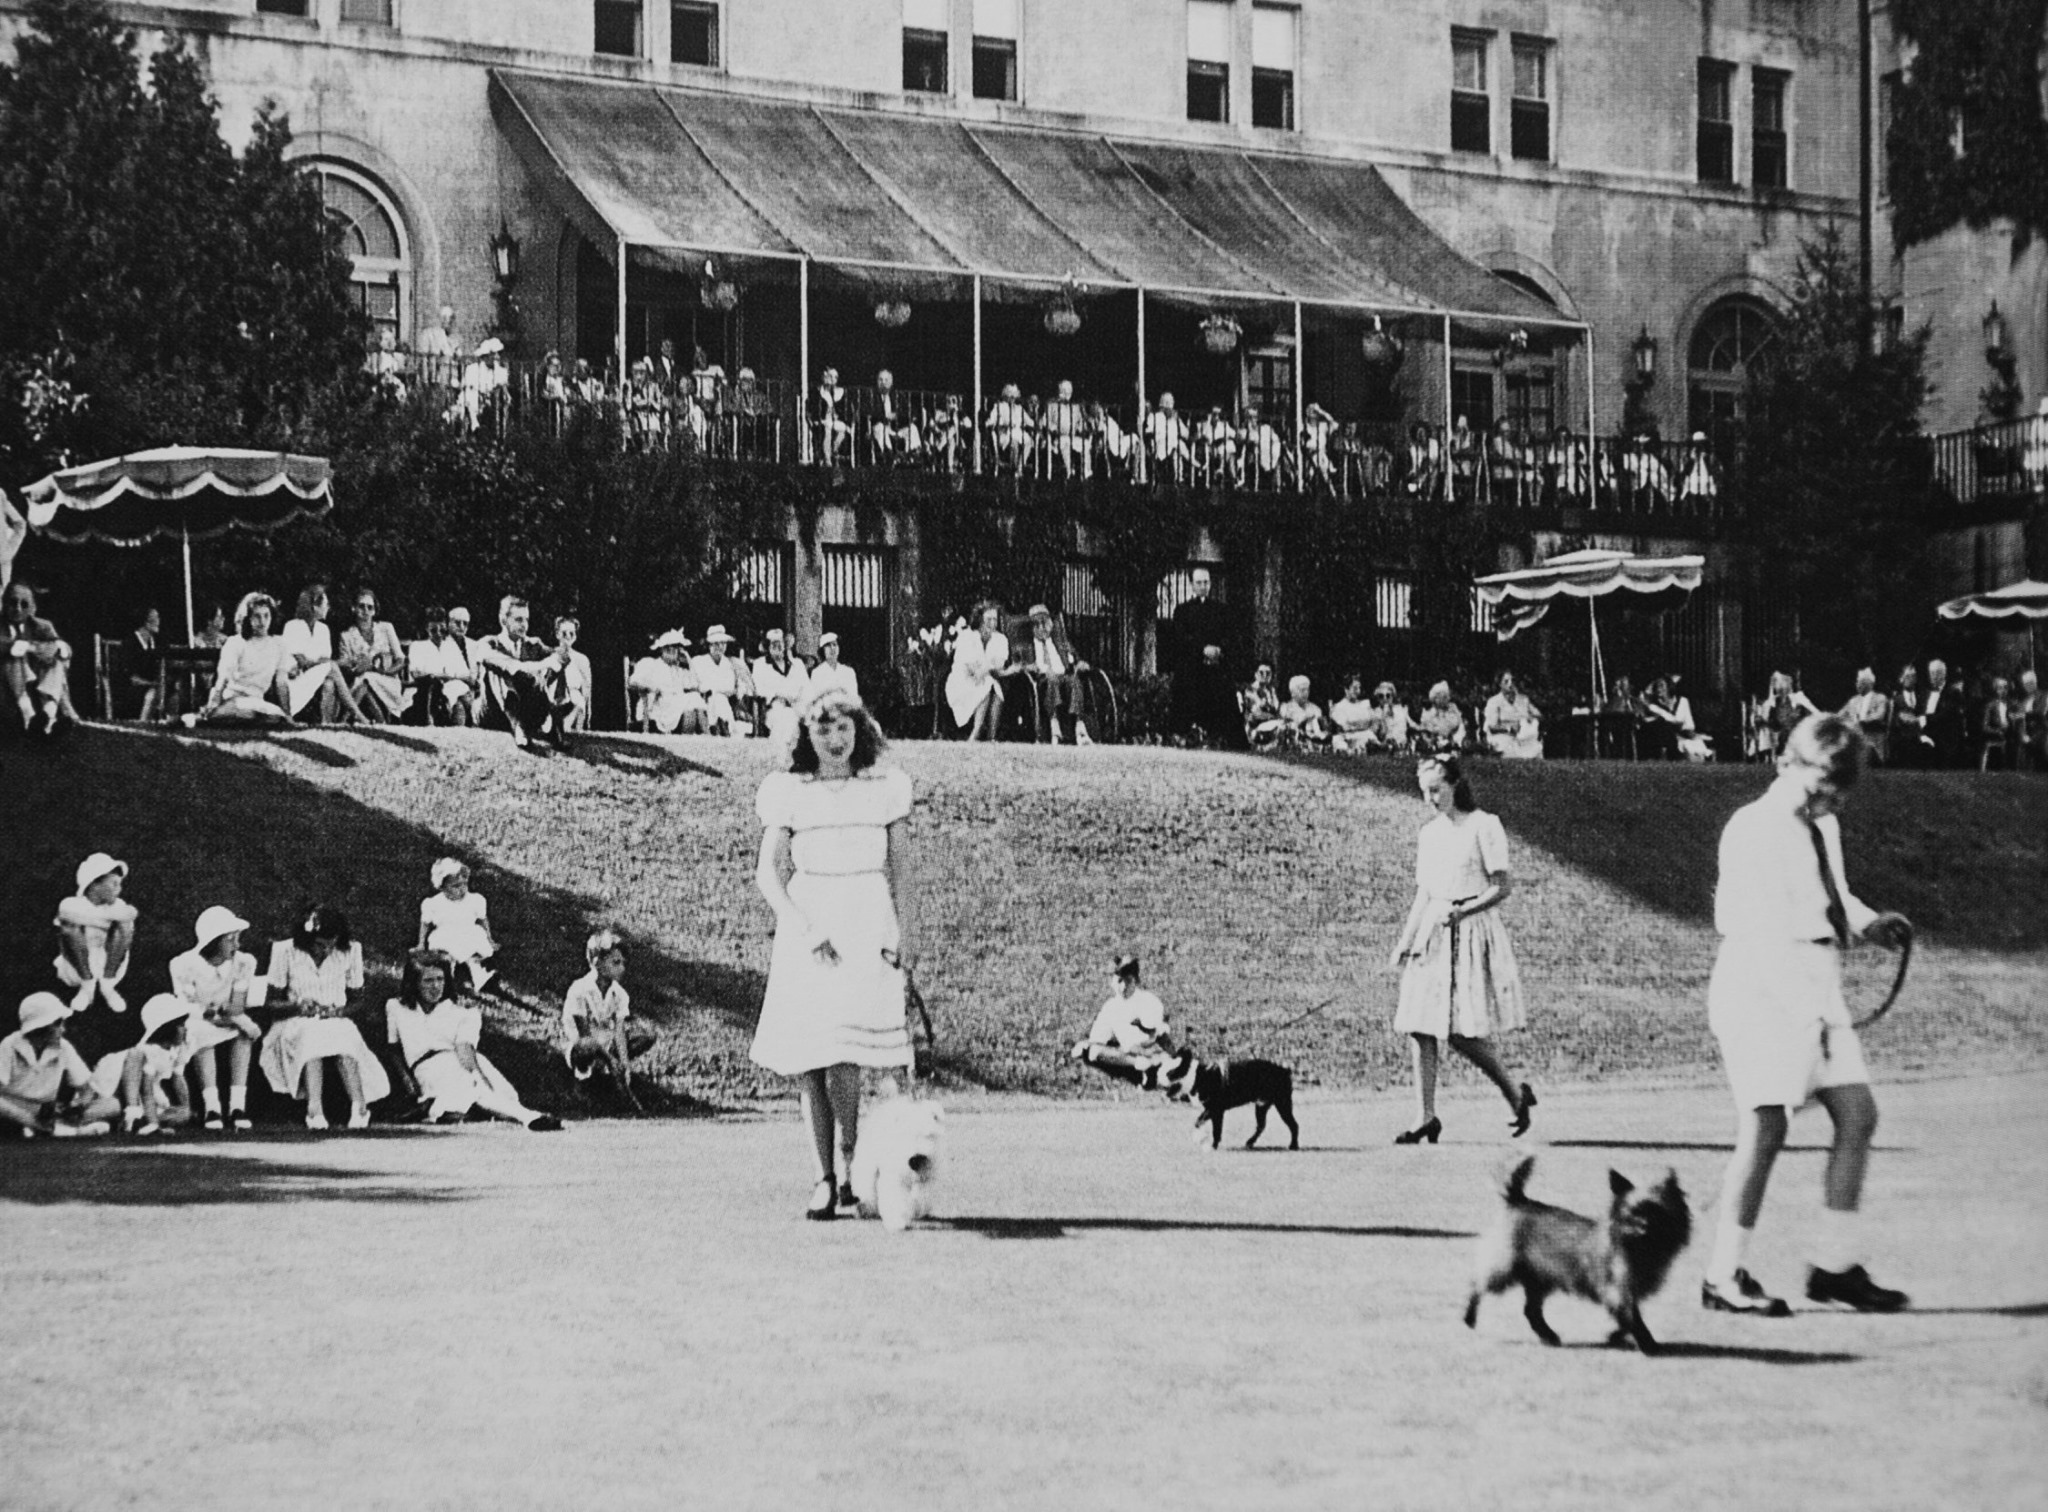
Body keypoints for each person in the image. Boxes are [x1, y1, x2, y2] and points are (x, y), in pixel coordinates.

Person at [1700, 714, 1912, 1317]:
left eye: (1841, 786)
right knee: (1767, 1126)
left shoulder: (1825, 827)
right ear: (1786, 762)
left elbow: (1831, 897)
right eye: (1822, 780)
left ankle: (1834, 1267)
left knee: (1858, 1114)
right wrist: (1803, 1013)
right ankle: (1722, 1276)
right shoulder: (1752, 828)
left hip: (1816, 989)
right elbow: (1754, 929)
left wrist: (1869, 923)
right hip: (1760, 990)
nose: (1830, 795)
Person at [751, 688, 918, 1219]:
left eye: (843, 727)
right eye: (823, 729)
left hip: (868, 925)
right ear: (806, 736)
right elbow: (768, 875)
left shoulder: (884, 788)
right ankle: (823, 1178)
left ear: (859, 730)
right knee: (811, 1060)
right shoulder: (788, 791)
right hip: (811, 929)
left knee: (847, 1058)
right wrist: (805, 928)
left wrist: (907, 934)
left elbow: (904, 873)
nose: (835, 738)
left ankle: (850, 1171)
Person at [1387, 755, 1537, 1144]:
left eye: (1436, 789)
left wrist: (1463, 910)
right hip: (1433, 934)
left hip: (1470, 933)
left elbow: (1501, 886)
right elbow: (1426, 893)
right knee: (1419, 1027)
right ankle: (1425, 1117)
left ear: (1455, 785)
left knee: (1458, 1032)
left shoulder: (1484, 826)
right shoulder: (1429, 834)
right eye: (1425, 793)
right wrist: (1405, 941)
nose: (1431, 799)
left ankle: (1514, 1093)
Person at [388, 949, 559, 1130]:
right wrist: (407, 1080)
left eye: (440, 979)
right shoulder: (395, 1007)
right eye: (428, 980)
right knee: (474, 1092)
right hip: (428, 1070)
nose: (435, 986)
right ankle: (527, 1117)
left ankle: (527, 1117)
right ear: (414, 983)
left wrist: (478, 1076)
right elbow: (393, 1049)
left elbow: (465, 1051)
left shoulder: (462, 1013)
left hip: (464, 1062)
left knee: (480, 1090)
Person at [260, 906, 390, 1131]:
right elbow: (270, 1005)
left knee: (342, 1033)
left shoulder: (351, 950)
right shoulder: (285, 951)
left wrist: (338, 1011)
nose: (327, 950)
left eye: (332, 944)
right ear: (308, 937)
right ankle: (314, 1108)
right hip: (296, 1022)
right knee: (313, 1034)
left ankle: (359, 1107)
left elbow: (359, 1002)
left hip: (336, 1020)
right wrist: (298, 1006)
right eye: (320, 944)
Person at [170, 905, 264, 1132]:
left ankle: (237, 1108)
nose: (237, 945)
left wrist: (235, 1018)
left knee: (244, 1035)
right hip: (198, 1021)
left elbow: (237, 1005)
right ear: (214, 940)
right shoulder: (182, 964)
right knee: (200, 1033)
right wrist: (211, 1013)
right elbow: (185, 1007)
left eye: (237, 938)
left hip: (229, 1019)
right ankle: (212, 1108)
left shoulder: (244, 963)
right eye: (231, 939)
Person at [561, 928, 657, 1110]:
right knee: (588, 1045)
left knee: (646, 1034)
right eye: (615, 962)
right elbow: (584, 1034)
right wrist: (611, 1061)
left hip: (605, 1045)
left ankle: (613, 1082)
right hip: (580, 1049)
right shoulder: (579, 989)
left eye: (623, 963)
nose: (622, 968)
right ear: (597, 962)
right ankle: (583, 1081)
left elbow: (619, 1032)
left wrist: (624, 1065)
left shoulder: (619, 994)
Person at [0, 992, 115, 1136]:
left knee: (112, 1104)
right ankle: (62, 1130)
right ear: (42, 1026)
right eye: (58, 1023)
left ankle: (47, 1128)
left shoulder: (64, 1047)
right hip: (15, 1109)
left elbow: (87, 1088)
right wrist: (28, 1110)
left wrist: (77, 1105)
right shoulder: (9, 1045)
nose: (63, 1029)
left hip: (47, 1112)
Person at [87, 993, 195, 1135]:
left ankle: (131, 1120)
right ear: (167, 1028)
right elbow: (146, 1091)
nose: (185, 1029)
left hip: (144, 1103)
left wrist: (185, 1109)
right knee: (114, 1106)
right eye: (181, 1025)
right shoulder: (146, 1051)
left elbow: (175, 1081)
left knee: (182, 1114)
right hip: (111, 1097)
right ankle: (133, 1118)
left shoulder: (174, 1051)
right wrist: (153, 1124)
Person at [1069, 954, 1177, 1087]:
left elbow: (1157, 1038)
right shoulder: (1111, 1007)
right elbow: (1097, 1041)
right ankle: (1140, 1073)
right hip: (1130, 1058)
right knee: (1093, 1051)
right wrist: (1084, 1046)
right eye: (1120, 981)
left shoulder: (1150, 1001)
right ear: (1113, 982)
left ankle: (1151, 1074)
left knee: (1166, 1072)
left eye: (1129, 980)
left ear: (1136, 981)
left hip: (1153, 1055)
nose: (1124, 987)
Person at [475, 595, 566, 749]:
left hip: (527, 711)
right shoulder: (488, 643)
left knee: (541, 672)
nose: (524, 625)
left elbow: (561, 657)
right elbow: (510, 666)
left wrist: (547, 674)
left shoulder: (534, 644)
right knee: (500, 671)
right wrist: (541, 665)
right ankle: (519, 727)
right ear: (503, 620)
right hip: (493, 714)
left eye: (526, 620)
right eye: (518, 620)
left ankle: (551, 726)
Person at [54, 852, 136, 1016]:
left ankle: (107, 985)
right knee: (70, 928)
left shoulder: (118, 904)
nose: (119, 889)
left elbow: (130, 913)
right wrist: (106, 921)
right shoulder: (72, 903)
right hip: (76, 966)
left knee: (125, 926)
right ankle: (87, 985)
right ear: (94, 885)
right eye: (113, 884)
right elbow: (65, 915)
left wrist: (88, 919)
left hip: (109, 962)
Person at [1168, 567, 1243, 747]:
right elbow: (1180, 638)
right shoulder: (1182, 611)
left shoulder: (1222, 610)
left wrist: (1218, 650)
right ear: (1192, 585)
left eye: (1206, 582)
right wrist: (1202, 649)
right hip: (1192, 670)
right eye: (1199, 582)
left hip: (1216, 669)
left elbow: (1231, 636)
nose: (1203, 586)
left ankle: (1221, 740)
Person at [201, 592, 294, 725]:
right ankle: (207, 716)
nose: (262, 621)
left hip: (258, 701)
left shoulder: (279, 644)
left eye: (266, 616)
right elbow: (224, 677)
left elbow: (281, 682)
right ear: (247, 618)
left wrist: (288, 714)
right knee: (247, 713)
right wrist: (214, 702)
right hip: (233, 698)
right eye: (257, 616)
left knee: (275, 716)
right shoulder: (236, 642)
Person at [280, 584, 368, 725]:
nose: (328, 608)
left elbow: (323, 659)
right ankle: (357, 714)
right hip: (295, 681)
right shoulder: (293, 626)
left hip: (313, 678)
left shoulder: (323, 629)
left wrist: (324, 663)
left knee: (329, 681)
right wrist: (338, 663)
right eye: (325, 604)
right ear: (315, 606)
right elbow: (302, 662)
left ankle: (326, 722)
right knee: (331, 667)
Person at [1, 581, 80, 737]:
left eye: (24, 604)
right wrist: (33, 648)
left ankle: (48, 715)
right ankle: (28, 716)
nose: (17, 609)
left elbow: (65, 650)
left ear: (32, 608)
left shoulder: (41, 626)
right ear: (3, 604)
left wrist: (56, 648)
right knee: (15, 657)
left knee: (55, 659)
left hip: (37, 690)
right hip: (7, 693)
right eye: (12, 603)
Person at [417, 858, 499, 995]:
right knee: (447, 957)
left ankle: (480, 978)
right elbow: (425, 923)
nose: (461, 889)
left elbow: (483, 920)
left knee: (473, 956)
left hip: (468, 932)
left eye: (464, 884)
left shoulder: (474, 900)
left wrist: (489, 939)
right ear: (442, 887)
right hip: (446, 934)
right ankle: (450, 979)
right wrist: (420, 943)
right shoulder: (434, 903)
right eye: (455, 886)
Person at [1015, 603, 1090, 744]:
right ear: (1032, 628)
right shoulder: (1026, 648)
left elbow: (1075, 659)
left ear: (1051, 625)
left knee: (1075, 681)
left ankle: (1079, 726)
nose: (1042, 628)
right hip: (1042, 680)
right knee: (1052, 679)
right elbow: (1019, 665)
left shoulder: (1062, 644)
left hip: (1064, 676)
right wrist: (1029, 667)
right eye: (1037, 625)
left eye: (1045, 624)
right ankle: (1053, 722)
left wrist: (1080, 663)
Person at [338, 588, 411, 723]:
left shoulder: (386, 628)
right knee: (365, 679)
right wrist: (357, 667)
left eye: (370, 607)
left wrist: (383, 671)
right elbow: (346, 667)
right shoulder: (346, 636)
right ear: (353, 608)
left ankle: (344, 720)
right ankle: (381, 721)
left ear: (374, 611)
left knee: (367, 678)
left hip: (388, 681)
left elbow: (401, 659)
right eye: (361, 606)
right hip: (360, 681)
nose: (365, 611)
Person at [945, 602, 1008, 741]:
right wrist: (987, 667)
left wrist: (985, 668)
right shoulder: (967, 636)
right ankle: (976, 732)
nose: (992, 623)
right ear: (980, 619)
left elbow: (999, 664)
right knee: (987, 686)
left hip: (984, 679)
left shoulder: (1000, 639)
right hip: (962, 680)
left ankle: (992, 736)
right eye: (988, 619)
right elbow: (971, 669)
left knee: (994, 689)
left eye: (995, 619)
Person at [406, 605, 479, 726]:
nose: (439, 634)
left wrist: (449, 677)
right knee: (456, 700)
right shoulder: (418, 646)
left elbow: (465, 674)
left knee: (460, 696)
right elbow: (416, 673)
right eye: (434, 630)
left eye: (442, 631)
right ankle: (459, 729)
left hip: (454, 687)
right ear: (426, 629)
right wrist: (443, 676)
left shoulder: (450, 646)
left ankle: (465, 729)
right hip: (426, 690)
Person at [629, 630, 707, 734]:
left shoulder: (678, 670)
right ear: (662, 650)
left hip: (675, 708)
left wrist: (689, 661)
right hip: (657, 709)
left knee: (693, 701)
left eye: (676, 648)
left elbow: (696, 685)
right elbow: (633, 681)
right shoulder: (651, 664)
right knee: (692, 699)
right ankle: (707, 735)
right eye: (668, 648)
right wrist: (651, 687)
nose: (673, 651)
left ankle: (693, 739)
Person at [751, 628, 810, 744]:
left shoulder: (797, 664)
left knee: (797, 717)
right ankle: (783, 753)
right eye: (773, 643)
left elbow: (807, 689)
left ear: (785, 645)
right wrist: (777, 695)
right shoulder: (760, 664)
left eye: (780, 643)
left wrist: (802, 704)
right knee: (787, 718)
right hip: (774, 708)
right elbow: (757, 688)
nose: (777, 646)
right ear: (767, 647)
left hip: (798, 707)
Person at [1640, 674, 1713, 762]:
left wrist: (1692, 733)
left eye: (1662, 686)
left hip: (1688, 734)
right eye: (1657, 686)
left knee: (1697, 751)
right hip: (1672, 739)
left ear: (1669, 687)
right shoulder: (1654, 707)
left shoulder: (1683, 701)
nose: (1659, 689)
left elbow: (1685, 722)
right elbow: (1673, 721)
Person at [692, 625, 750, 736]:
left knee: (720, 700)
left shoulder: (730, 664)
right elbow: (699, 685)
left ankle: (723, 728)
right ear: (709, 645)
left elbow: (733, 687)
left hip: (727, 702)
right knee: (717, 699)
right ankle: (718, 729)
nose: (720, 647)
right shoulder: (699, 662)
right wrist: (715, 690)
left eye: (723, 643)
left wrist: (732, 692)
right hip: (705, 702)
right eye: (716, 643)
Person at [1482, 672, 1543, 759]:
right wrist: (1509, 728)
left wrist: (1531, 718)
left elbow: (1538, 715)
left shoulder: (1523, 699)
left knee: (1536, 747)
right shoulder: (1494, 702)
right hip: (1503, 735)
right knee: (1509, 749)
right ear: (1500, 684)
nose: (1510, 684)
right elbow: (1492, 727)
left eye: (1512, 681)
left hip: (1524, 736)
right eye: (1506, 681)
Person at [548, 615, 593, 733]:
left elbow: (587, 687)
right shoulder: (549, 656)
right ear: (557, 634)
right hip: (553, 699)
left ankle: (568, 728)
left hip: (574, 699)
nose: (568, 637)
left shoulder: (581, 659)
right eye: (564, 633)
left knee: (578, 702)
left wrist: (587, 715)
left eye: (571, 634)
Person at [1840, 667, 1891, 766]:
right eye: (1857, 682)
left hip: (1873, 733)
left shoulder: (1880, 698)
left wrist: (1863, 721)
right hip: (1855, 734)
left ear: (1870, 684)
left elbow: (1880, 715)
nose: (1857, 685)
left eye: (1861, 682)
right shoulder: (1853, 700)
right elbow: (1840, 715)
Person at [1921, 658, 1965, 769]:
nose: (1933, 676)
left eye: (1937, 673)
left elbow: (1946, 715)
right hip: (1926, 733)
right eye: (1931, 673)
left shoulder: (1953, 693)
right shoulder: (1925, 693)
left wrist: (1924, 719)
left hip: (1944, 737)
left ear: (1944, 674)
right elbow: (1920, 711)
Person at [869, 369, 920, 462]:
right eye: (880, 380)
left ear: (891, 382)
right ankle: (889, 454)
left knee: (912, 428)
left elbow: (910, 412)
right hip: (880, 427)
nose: (883, 383)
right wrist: (884, 417)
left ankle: (910, 455)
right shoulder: (872, 396)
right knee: (880, 428)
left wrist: (896, 415)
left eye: (886, 380)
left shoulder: (898, 396)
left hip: (896, 428)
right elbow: (869, 413)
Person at [123, 606, 163, 721]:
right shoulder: (130, 643)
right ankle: (143, 724)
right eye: (155, 617)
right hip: (133, 687)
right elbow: (129, 676)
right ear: (146, 621)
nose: (158, 621)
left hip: (152, 685)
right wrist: (151, 684)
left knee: (172, 692)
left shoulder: (155, 643)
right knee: (152, 693)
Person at [985, 383, 1033, 473]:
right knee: (1014, 443)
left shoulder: (1019, 408)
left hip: (1018, 433)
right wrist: (1002, 424)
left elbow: (1029, 421)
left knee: (1028, 442)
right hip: (1005, 434)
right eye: (1010, 396)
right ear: (1006, 396)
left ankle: (1020, 467)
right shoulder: (999, 406)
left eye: (1014, 396)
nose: (1012, 398)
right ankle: (1013, 467)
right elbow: (991, 420)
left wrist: (1038, 425)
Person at [1278, 675, 1331, 749]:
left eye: (1307, 690)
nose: (1306, 693)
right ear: (1292, 692)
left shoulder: (1315, 708)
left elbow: (1322, 727)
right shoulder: (1285, 708)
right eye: (1302, 690)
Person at [1329, 674, 1376, 754]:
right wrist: (1362, 725)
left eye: (1359, 688)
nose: (1358, 691)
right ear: (1346, 689)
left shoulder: (1365, 704)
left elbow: (1372, 722)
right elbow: (1345, 727)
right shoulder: (1339, 707)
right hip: (1347, 738)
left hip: (1365, 736)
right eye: (1354, 688)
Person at [814, 366, 853, 463]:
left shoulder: (838, 392)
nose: (832, 380)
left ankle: (834, 450)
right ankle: (827, 458)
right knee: (827, 429)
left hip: (834, 421)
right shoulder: (817, 392)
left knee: (843, 430)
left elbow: (844, 411)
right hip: (823, 420)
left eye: (835, 377)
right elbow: (814, 409)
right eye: (830, 376)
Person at [1417, 681, 1468, 755]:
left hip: (1455, 747)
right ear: (1436, 699)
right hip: (1436, 750)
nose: (1448, 699)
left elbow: (1460, 726)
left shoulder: (1453, 708)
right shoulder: (1428, 714)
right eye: (1444, 697)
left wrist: (1456, 741)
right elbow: (1425, 735)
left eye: (1447, 696)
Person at [1887, 664, 1923, 766]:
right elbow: (1891, 723)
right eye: (1907, 676)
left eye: (1913, 676)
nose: (1910, 679)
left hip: (1918, 739)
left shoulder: (1921, 697)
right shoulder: (1896, 699)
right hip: (1901, 740)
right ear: (1901, 679)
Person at [1242, 662, 1284, 748]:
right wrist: (1273, 717)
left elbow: (1277, 708)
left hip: (1271, 724)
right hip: (1255, 728)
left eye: (1268, 673)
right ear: (1255, 674)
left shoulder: (1271, 691)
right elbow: (1256, 714)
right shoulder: (1250, 691)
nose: (1265, 675)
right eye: (1261, 672)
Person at [808, 630, 858, 701]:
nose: (832, 648)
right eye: (828, 646)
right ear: (822, 650)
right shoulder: (817, 673)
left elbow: (854, 698)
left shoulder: (849, 672)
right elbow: (815, 700)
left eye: (834, 644)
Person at [1980, 675, 2016, 771]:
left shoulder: (2012, 705)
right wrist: (1997, 731)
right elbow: (1984, 726)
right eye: (2000, 688)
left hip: (2009, 739)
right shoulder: (1990, 706)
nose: (2003, 691)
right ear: (1995, 690)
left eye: (2005, 688)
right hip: (1994, 738)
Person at [1366, 681, 1414, 754]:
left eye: (1388, 695)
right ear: (1377, 699)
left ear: (1393, 696)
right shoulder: (1376, 713)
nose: (1385, 699)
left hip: (1403, 747)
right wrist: (1383, 718)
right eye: (1381, 696)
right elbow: (1374, 734)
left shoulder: (1401, 709)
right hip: (1387, 748)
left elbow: (1411, 726)